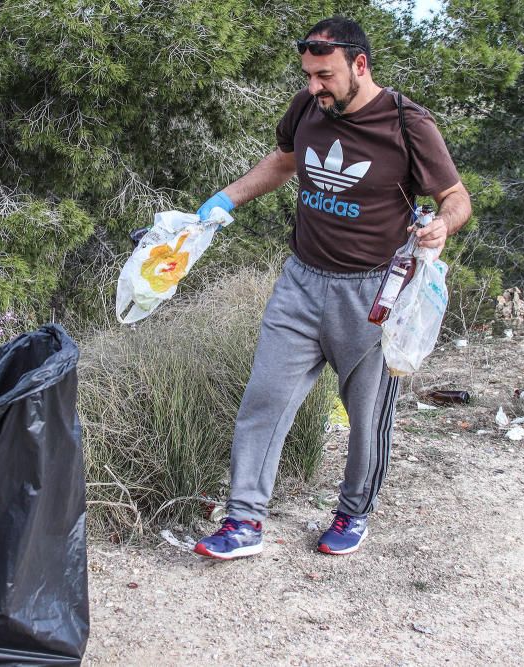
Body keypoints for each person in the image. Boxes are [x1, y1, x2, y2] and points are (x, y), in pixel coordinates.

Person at [193, 16, 472, 559]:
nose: (313, 86)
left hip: (372, 294)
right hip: (301, 281)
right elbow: (284, 161)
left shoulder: (407, 123)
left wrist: (444, 223)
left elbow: (455, 195)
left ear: (359, 65)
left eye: (324, 75)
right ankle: (243, 521)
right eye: (307, 75)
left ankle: (352, 512)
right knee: (265, 399)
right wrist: (224, 200)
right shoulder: (307, 107)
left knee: (366, 414)